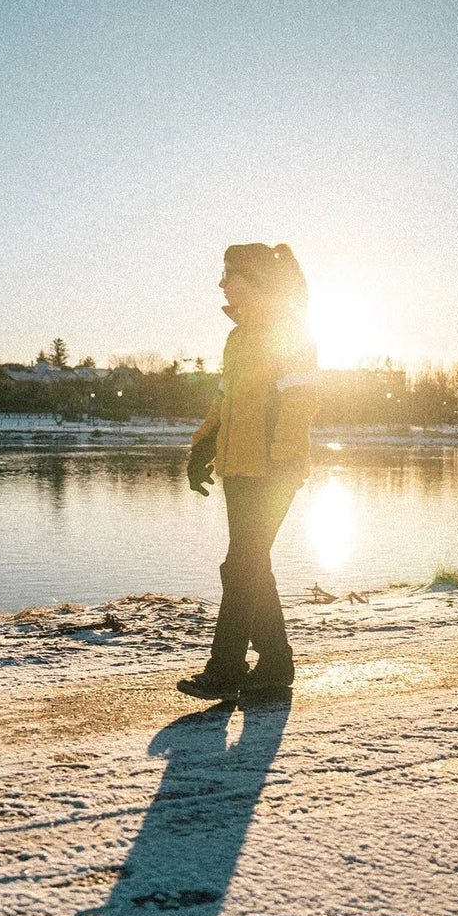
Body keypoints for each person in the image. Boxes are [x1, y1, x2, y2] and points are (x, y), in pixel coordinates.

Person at [180, 243, 319, 700]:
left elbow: (300, 400)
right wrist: (201, 446)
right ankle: (276, 664)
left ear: (256, 280)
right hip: (238, 467)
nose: (222, 283)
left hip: (272, 469)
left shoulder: (288, 331)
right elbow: (225, 400)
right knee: (251, 564)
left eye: (230, 274)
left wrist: (279, 460)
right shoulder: (238, 338)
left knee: (240, 565)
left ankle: (226, 669)